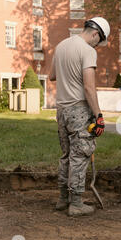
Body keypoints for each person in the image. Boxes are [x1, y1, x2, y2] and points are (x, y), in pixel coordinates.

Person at [49, 17, 110, 216]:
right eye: (98, 41)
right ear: (95, 34)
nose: (97, 46)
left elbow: (52, 76)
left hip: (62, 111)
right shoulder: (87, 51)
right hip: (78, 110)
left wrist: (68, 71)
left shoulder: (61, 46)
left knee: (66, 155)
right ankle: (75, 203)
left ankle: (62, 199)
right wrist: (98, 116)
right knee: (80, 155)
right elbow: (88, 87)